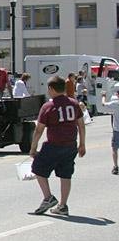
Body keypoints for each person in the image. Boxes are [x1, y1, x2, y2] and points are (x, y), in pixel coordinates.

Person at [30, 75, 86, 216]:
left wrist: (33, 148)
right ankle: (63, 205)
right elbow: (81, 124)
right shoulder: (74, 104)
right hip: (70, 145)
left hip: (54, 145)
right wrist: (82, 144)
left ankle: (48, 197)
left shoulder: (48, 106)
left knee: (37, 168)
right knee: (66, 175)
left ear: (51, 89)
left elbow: (39, 129)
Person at [100, 82, 119, 175]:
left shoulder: (115, 103)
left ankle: (115, 167)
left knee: (114, 148)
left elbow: (103, 104)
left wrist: (103, 96)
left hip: (117, 130)